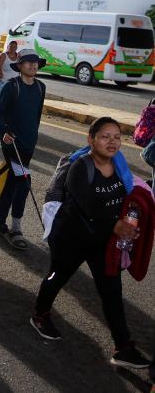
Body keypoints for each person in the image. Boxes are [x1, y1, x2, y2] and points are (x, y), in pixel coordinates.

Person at [30, 117, 150, 369]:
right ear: (91, 139)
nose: (112, 141)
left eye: (117, 136)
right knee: (57, 276)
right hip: (72, 238)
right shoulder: (80, 167)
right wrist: (117, 226)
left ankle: (123, 348)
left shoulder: (119, 167)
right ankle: (40, 315)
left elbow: (131, 194)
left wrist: (134, 220)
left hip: (103, 242)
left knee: (112, 292)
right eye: (105, 136)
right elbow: (89, 205)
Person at [0, 49, 46, 249]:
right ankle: (16, 229)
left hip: (28, 144)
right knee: (23, 183)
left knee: (12, 184)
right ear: (20, 66)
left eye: (35, 62)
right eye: (28, 62)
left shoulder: (41, 87)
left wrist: (32, 137)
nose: (33, 65)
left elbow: (36, 116)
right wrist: (3, 132)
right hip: (11, 143)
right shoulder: (12, 87)